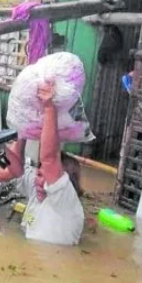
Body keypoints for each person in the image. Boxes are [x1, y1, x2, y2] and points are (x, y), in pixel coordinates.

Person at [10, 80, 85, 246]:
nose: (38, 180)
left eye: (47, 176)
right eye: (39, 174)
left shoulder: (64, 199)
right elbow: (16, 170)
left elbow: (49, 158)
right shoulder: (37, 190)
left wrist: (50, 107)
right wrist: (23, 130)